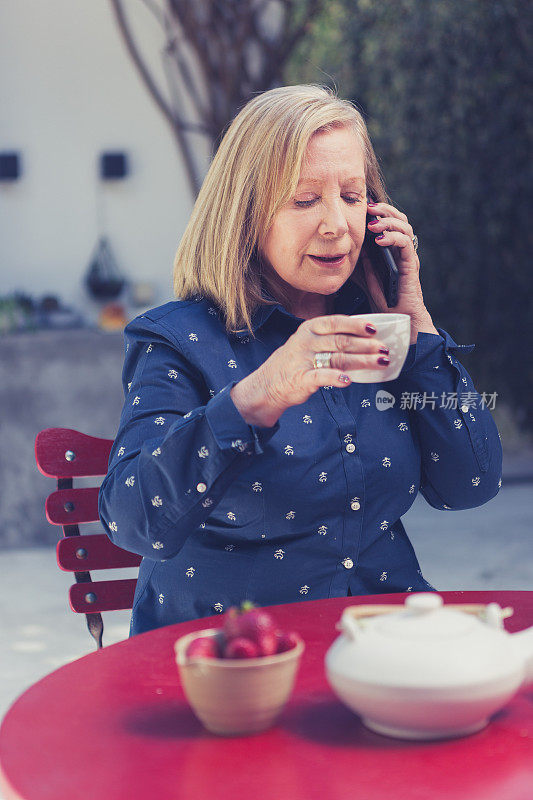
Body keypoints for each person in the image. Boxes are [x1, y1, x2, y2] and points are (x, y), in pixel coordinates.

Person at [99, 84, 502, 636]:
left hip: (382, 641)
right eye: (305, 199)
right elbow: (131, 519)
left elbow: (471, 485)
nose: (337, 223)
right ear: (245, 214)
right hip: (238, 660)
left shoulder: (379, 329)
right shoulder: (177, 339)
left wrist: (421, 331)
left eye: (353, 196)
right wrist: (260, 394)